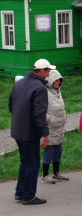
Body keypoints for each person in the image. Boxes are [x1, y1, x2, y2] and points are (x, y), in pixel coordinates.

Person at [9, 59, 55, 205]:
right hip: (29, 131)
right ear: (41, 71)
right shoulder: (40, 88)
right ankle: (28, 196)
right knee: (32, 163)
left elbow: (11, 105)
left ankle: (20, 192)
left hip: (17, 128)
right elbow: (39, 114)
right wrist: (45, 134)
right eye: (48, 71)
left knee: (25, 161)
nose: (49, 74)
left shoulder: (19, 83)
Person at [41, 69, 69, 184]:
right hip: (50, 127)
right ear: (50, 80)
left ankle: (56, 173)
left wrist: (64, 117)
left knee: (58, 150)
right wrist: (50, 119)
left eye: (59, 80)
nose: (58, 82)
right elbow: (41, 110)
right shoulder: (44, 92)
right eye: (56, 80)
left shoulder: (58, 92)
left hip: (59, 127)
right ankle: (45, 175)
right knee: (49, 151)